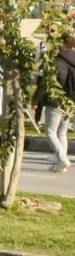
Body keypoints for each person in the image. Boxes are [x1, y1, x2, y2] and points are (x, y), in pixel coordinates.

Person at [42, 34, 75, 173]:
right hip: (70, 101)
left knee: (50, 132)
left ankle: (62, 159)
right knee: (62, 133)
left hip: (56, 101)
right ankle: (60, 163)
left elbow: (48, 83)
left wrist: (36, 100)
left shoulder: (58, 62)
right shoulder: (72, 60)